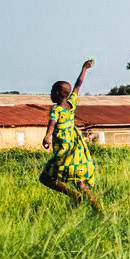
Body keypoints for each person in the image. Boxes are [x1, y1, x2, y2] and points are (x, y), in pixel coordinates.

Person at [40, 59, 101, 211]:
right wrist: (84, 69)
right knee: (79, 183)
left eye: (53, 90)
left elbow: (52, 124)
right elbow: (78, 85)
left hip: (64, 151)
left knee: (45, 178)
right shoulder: (71, 104)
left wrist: (47, 136)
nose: (51, 92)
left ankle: (75, 196)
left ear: (56, 93)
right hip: (76, 150)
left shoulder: (56, 109)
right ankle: (98, 210)